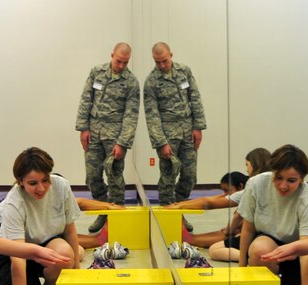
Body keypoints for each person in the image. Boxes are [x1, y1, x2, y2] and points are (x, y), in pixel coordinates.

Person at [0, 148, 83, 285]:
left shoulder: (61, 186)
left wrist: (76, 274)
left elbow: (70, 230)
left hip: (44, 239)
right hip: (13, 248)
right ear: (20, 181)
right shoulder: (14, 203)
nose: (41, 188)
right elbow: (18, 258)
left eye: (45, 180)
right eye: (33, 183)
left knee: (66, 255)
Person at [237, 144, 308, 285]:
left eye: (291, 181)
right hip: (270, 244)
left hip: (300, 251)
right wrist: (242, 271)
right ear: (272, 171)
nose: (283, 185)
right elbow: (247, 229)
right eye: (278, 178)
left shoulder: (307, 198)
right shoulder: (256, 183)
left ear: (302, 179)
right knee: (259, 248)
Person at [76, 42, 140, 233]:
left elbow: (131, 114)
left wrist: (123, 142)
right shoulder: (97, 72)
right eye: (118, 61)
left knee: (114, 176)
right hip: (93, 132)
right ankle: (104, 211)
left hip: (116, 134)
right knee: (92, 177)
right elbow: (86, 99)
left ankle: (117, 218)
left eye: (125, 63)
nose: (121, 66)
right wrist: (83, 129)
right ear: (112, 55)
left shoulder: (131, 82)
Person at [144, 42, 207, 209]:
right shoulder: (151, 81)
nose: (162, 65)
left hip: (188, 131)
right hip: (167, 134)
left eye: (165, 60)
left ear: (171, 55)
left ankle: (178, 208)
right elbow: (152, 115)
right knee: (168, 176)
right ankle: (167, 212)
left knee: (190, 176)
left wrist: (198, 127)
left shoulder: (184, 72)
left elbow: (195, 98)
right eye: (157, 62)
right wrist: (161, 142)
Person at [165, 171, 249, 262]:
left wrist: (180, 206)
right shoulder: (244, 190)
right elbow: (212, 199)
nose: (225, 194)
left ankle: (190, 239)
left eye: (227, 190)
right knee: (231, 229)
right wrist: (180, 204)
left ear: (240, 186)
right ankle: (190, 239)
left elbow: (209, 203)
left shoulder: (244, 192)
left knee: (231, 231)